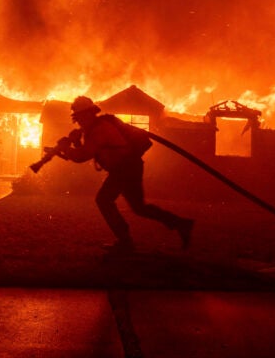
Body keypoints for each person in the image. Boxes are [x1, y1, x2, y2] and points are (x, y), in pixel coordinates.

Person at [55, 96, 194, 254]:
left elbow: (82, 156)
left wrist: (66, 148)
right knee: (139, 207)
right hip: (129, 167)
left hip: (124, 168)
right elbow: (88, 151)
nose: (78, 122)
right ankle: (181, 224)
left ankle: (125, 242)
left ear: (87, 114)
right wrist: (76, 143)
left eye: (79, 117)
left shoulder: (99, 129)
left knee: (104, 200)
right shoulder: (95, 128)